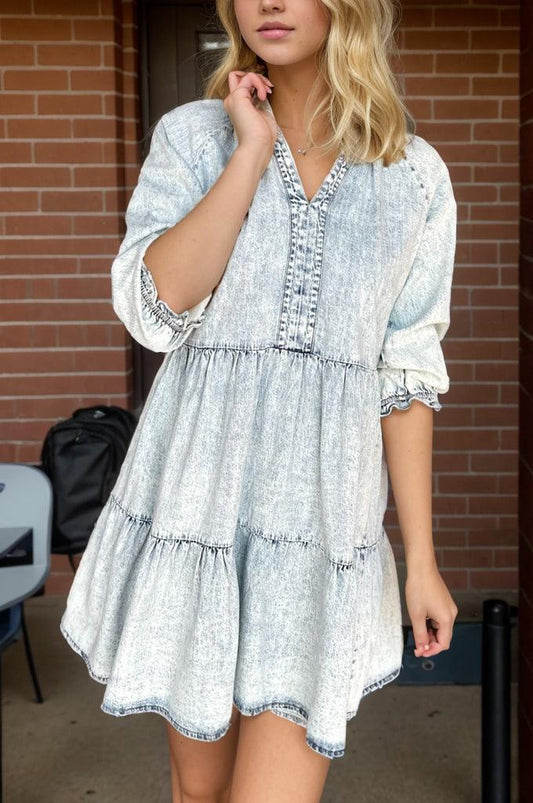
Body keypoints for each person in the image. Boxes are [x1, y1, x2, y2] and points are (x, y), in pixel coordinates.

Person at [60, 0, 459, 800]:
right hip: (196, 512)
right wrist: (249, 152)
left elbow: (406, 378)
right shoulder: (193, 137)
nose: (268, 2)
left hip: (320, 528)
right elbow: (158, 306)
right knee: (198, 793)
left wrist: (421, 560)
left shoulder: (413, 174)